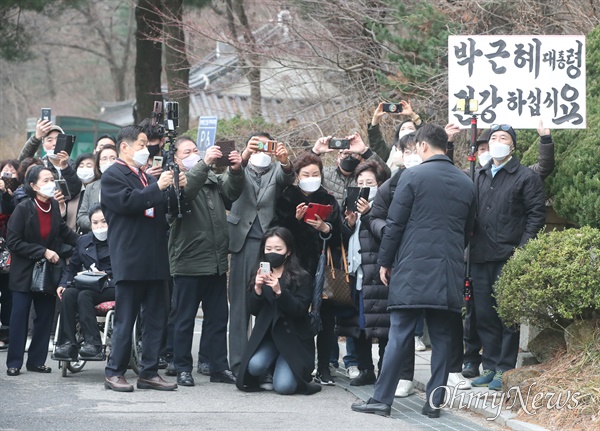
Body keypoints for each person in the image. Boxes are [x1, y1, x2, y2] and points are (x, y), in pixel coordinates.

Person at [351, 124, 476, 418]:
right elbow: (469, 230)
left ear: (421, 146)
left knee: (400, 335)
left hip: (411, 267)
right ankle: (433, 404)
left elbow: (395, 225)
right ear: (445, 146)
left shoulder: (412, 176)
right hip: (449, 268)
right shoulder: (467, 182)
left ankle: (382, 399)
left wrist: (385, 261)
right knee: (445, 339)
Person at [462, 121, 554, 379]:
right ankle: (489, 366)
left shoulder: (525, 176)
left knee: (507, 315)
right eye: (494, 138)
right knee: (484, 314)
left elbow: (536, 215)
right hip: (479, 255)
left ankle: (505, 368)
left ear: (512, 145)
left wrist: (522, 249)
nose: (497, 142)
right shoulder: (478, 175)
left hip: (508, 255)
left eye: (503, 138)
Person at [101, 125, 184, 392]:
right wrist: (157, 186)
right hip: (131, 257)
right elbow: (127, 203)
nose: (145, 149)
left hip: (155, 256)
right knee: (127, 318)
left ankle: (149, 372)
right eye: (140, 144)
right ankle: (114, 371)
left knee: (156, 318)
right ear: (124, 147)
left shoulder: (145, 176)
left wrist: (175, 188)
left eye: (146, 144)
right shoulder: (114, 174)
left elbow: (162, 208)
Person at [168, 137, 244, 387]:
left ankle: (218, 366)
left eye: (196, 150)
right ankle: (182, 367)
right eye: (187, 152)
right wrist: (205, 163)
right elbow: (186, 192)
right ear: (177, 158)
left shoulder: (211, 178)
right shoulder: (174, 179)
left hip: (216, 262)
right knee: (185, 319)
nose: (194, 154)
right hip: (189, 262)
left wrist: (235, 169)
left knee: (218, 317)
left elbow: (233, 192)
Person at [270, 151, 343, 386]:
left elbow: (339, 233)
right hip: (293, 267)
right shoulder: (286, 197)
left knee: (324, 317)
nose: (311, 177)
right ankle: (291, 362)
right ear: (298, 176)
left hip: (321, 266)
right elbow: (276, 234)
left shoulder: (329, 199)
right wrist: (294, 219)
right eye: (306, 174)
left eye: (315, 173)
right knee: (292, 313)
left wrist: (325, 228)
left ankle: (324, 367)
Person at [227, 133, 295, 376]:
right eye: (257, 147)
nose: (261, 152)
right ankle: (237, 363)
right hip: (241, 243)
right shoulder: (240, 166)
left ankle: (264, 360)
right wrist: (245, 154)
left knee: (266, 298)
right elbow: (231, 177)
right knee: (239, 304)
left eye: (266, 147)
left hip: (268, 246)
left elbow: (287, 177)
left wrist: (285, 160)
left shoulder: (276, 169)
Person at [5, 165, 79, 376]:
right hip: (24, 272)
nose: (51, 184)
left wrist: (86, 242)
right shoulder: (23, 208)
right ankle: (14, 362)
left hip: (47, 273)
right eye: (45, 180)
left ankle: (36, 361)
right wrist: (42, 251)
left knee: (45, 316)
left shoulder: (54, 206)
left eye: (52, 179)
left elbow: (63, 231)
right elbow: (13, 241)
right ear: (33, 185)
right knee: (19, 317)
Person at [236, 227, 322, 395]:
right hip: (269, 337)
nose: (272, 253)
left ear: (288, 251)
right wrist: (258, 290)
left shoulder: (301, 276)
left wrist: (280, 292)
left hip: (293, 340)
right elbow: (254, 310)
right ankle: (269, 367)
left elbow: (299, 310)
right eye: (268, 249)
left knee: (284, 387)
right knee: (254, 366)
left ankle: (282, 368)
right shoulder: (259, 273)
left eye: (278, 249)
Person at [338, 159, 390, 386]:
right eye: (360, 181)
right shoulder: (350, 206)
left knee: (384, 326)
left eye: (369, 182)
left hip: (378, 274)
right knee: (357, 326)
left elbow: (387, 236)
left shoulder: (386, 205)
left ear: (380, 184)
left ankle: (385, 370)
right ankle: (365, 369)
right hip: (356, 273)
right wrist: (349, 224)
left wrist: (368, 215)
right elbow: (341, 239)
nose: (364, 185)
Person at [53, 204, 115, 360]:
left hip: (113, 284)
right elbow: (71, 267)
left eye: (103, 222)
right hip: (90, 283)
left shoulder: (120, 239)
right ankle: (67, 344)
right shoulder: (83, 241)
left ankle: (93, 343)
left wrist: (106, 275)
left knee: (84, 295)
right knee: (68, 294)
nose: (99, 226)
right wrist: (63, 284)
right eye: (95, 223)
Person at [18, 120, 82, 198]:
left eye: (58, 139)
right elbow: (22, 162)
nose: (54, 143)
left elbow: (75, 190)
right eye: (49, 140)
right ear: (43, 146)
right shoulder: (39, 165)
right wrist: (36, 138)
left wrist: (65, 168)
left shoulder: (74, 165)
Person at [0, 159, 20, 349]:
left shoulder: (17, 193)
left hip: (7, 250)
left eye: (12, 170)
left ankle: (5, 334)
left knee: (7, 293)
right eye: (5, 170)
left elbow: (9, 211)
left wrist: (5, 193)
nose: (8, 172)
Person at [76, 144, 118, 234]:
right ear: (98, 164)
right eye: (104, 159)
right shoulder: (91, 188)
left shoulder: (128, 184)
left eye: (113, 158)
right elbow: (81, 217)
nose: (108, 162)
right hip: (96, 237)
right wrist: (97, 223)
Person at [65, 153, 98, 232]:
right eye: (81, 166)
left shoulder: (99, 189)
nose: (84, 169)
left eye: (89, 166)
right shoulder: (72, 189)